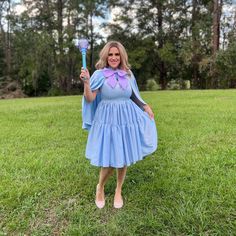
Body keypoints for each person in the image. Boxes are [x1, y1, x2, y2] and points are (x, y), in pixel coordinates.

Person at [80, 41, 158, 209]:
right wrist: (86, 83)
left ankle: (118, 190)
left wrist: (145, 106)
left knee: (123, 157)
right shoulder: (99, 75)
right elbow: (90, 99)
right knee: (108, 160)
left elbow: (133, 95)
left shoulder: (128, 74)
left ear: (121, 56)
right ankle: (100, 187)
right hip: (107, 120)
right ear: (105, 56)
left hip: (126, 119)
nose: (114, 57)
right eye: (110, 54)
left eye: (117, 54)